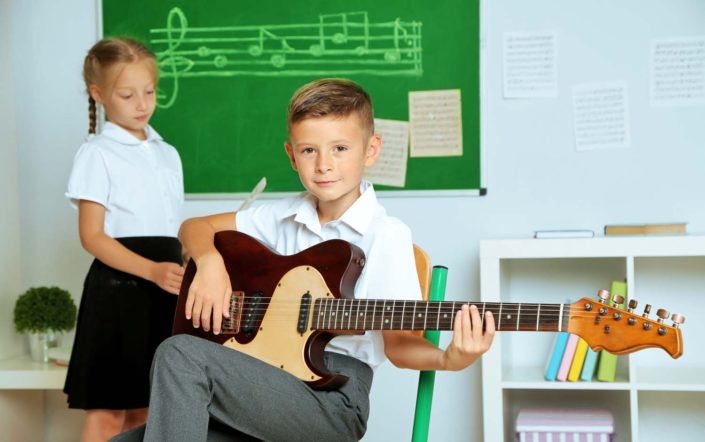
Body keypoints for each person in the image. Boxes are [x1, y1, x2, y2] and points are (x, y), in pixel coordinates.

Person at [113, 78, 495, 442]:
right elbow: (195, 226)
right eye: (309, 150)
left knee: (180, 355)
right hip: (255, 383)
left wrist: (452, 358)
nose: (323, 164)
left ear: (372, 149)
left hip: (331, 401)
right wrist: (209, 262)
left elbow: (398, 346)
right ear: (291, 155)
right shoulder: (279, 216)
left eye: (340, 148)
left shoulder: (386, 235)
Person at [64, 37, 186, 441]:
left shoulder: (167, 153)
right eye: (128, 94)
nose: (142, 104)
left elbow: (168, 227)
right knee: (107, 412)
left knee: (147, 409)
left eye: (149, 92)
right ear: (98, 95)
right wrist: (151, 270)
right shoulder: (97, 153)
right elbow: (92, 236)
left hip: (162, 292)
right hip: (118, 291)